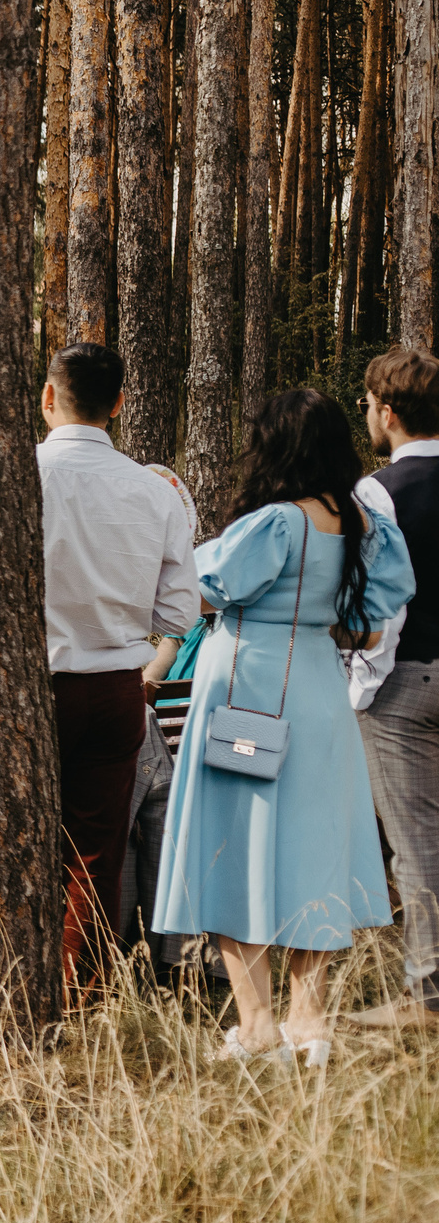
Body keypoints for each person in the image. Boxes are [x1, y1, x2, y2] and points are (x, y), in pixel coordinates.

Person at [154, 388, 414, 1066]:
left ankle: (258, 1026)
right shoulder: (362, 525)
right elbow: (370, 628)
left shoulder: (272, 522)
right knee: (312, 850)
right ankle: (310, 1024)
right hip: (320, 691)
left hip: (246, 690)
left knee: (233, 848)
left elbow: (198, 593)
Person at [34, 341, 199, 988]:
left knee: (15, 838)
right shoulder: (153, 491)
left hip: (31, 687)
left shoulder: (22, 474)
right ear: (120, 403)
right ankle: (82, 991)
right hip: (116, 690)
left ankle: (18, 982)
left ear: (48, 396)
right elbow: (179, 611)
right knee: (95, 851)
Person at [345, 348, 439, 1031]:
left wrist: (360, 683)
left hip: (403, 682)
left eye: (368, 405)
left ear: (388, 410)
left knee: (416, 839)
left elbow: (372, 602)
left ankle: (429, 993)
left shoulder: (377, 493)